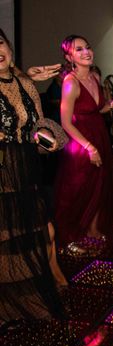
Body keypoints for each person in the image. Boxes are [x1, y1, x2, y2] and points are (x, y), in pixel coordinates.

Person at [0, 28, 64, 326]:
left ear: (10, 47)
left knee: (31, 236)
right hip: (2, 171)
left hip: (26, 169)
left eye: (0, 43)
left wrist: (46, 136)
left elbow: (39, 123)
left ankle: (26, 303)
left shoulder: (24, 82)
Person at [56, 35, 113, 252]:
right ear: (69, 56)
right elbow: (66, 122)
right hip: (80, 143)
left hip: (100, 135)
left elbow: (93, 110)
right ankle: (68, 237)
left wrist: (108, 106)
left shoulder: (94, 77)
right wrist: (89, 147)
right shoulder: (70, 82)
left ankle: (93, 229)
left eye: (88, 47)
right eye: (79, 49)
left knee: (99, 185)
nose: (86, 52)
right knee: (77, 189)